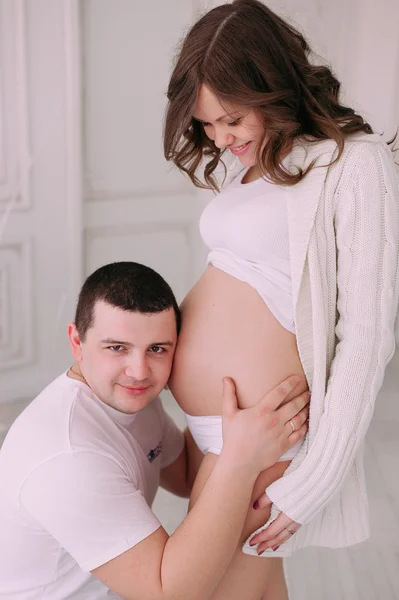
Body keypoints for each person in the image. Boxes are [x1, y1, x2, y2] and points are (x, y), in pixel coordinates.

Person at [163, 0, 399, 598]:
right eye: (207, 124)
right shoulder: (253, 164)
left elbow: (368, 336)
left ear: (273, 85)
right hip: (213, 431)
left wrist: (314, 480)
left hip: (261, 434)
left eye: (232, 119)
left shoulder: (354, 163)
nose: (219, 138)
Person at [0, 261, 310, 600]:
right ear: (77, 341)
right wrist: (240, 459)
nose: (139, 371)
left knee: (256, 557)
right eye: (117, 348)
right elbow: (168, 594)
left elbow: (186, 476)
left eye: (157, 349)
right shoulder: (67, 458)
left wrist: (227, 405)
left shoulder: (132, 404)